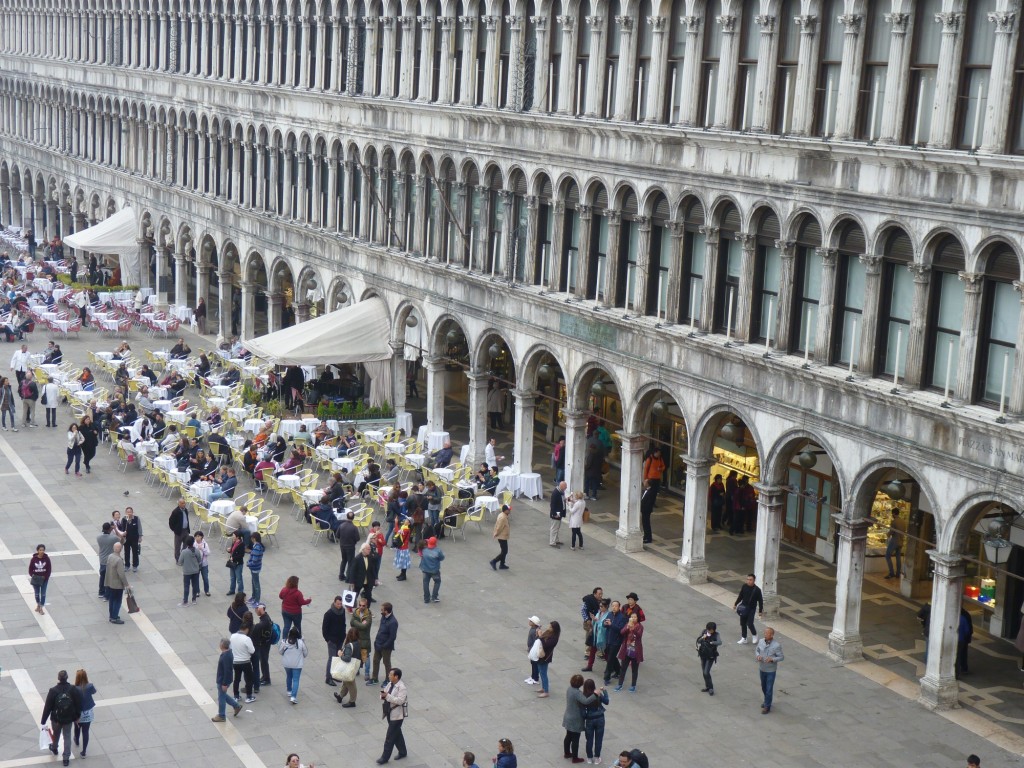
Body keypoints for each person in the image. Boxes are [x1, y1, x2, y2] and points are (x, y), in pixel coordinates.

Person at [40, 670, 83, 766]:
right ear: (67, 677)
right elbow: (78, 704)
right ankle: (66, 758)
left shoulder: (53, 690)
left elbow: (48, 707)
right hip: (68, 719)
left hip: (56, 719)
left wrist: (43, 721)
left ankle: (54, 748)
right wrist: (77, 717)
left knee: (56, 734)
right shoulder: (72, 689)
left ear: (58, 678)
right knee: (67, 736)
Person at [562, 674, 599, 763]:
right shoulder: (577, 693)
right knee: (575, 738)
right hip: (575, 719)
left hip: (568, 715)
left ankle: (567, 753)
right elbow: (585, 701)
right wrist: (595, 695)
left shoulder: (569, 689)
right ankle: (575, 758)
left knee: (568, 736)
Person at [375, 667, 408, 765]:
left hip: (397, 715)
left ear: (396, 676)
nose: (389, 676)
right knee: (397, 733)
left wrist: (387, 696)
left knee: (390, 736)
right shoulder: (390, 684)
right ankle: (403, 752)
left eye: (390, 674)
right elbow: (384, 693)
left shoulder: (402, 687)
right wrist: (382, 695)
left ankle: (385, 757)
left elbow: (400, 701)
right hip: (389, 713)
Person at [212, 638, 243, 722]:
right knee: (223, 695)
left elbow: (227, 670)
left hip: (223, 680)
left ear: (222, 645)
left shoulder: (226, 656)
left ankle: (221, 715)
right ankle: (236, 706)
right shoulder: (228, 653)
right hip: (223, 679)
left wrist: (224, 684)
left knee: (221, 697)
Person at [755, 626, 784, 713]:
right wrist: (758, 656)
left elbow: (781, 657)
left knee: (769, 688)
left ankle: (767, 706)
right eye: (764, 633)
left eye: (767, 633)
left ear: (772, 635)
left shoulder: (776, 645)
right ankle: (766, 700)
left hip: (771, 670)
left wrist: (772, 659)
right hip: (762, 668)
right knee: (763, 687)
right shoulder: (761, 641)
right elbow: (757, 650)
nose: (765, 635)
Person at [581, 678, 609, 764]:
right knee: (599, 739)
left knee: (589, 739)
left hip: (590, 719)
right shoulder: (598, 694)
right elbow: (607, 701)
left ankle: (589, 758)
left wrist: (585, 717)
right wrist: (605, 691)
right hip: (600, 718)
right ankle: (597, 757)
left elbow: (582, 712)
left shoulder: (583, 696)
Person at [322, 595, 348, 687]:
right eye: (338, 604)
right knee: (331, 658)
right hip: (332, 640)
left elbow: (343, 623)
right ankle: (328, 677)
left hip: (340, 639)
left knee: (337, 658)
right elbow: (324, 629)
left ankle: (335, 675)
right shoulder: (328, 614)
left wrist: (344, 634)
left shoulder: (343, 611)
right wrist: (328, 639)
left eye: (341, 604)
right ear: (334, 603)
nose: (339, 605)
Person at [615, 613, 644, 692]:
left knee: (634, 670)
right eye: (632, 617)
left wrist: (633, 628)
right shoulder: (627, 624)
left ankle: (633, 685)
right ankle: (620, 684)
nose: (633, 618)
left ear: (637, 618)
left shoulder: (640, 627)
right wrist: (628, 627)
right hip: (627, 650)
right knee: (623, 668)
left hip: (635, 651)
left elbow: (638, 635)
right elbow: (622, 632)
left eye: (635, 617)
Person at [279, 625, 308, 705]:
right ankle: (293, 697)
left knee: (289, 676)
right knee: (296, 680)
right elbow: (305, 653)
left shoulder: (284, 642)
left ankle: (289, 691)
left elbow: (280, 652)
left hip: (286, 664)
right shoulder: (301, 642)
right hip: (297, 665)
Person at [371, 602, 399, 684]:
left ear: (386, 611)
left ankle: (388, 679)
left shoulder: (393, 622)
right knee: (375, 660)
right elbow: (380, 630)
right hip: (378, 643)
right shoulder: (383, 617)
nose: (381, 611)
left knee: (386, 663)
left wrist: (384, 645)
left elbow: (392, 637)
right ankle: (374, 678)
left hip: (386, 647)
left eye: (382, 610)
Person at [332, 627, 361, 708]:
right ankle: (340, 696)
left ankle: (352, 701)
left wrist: (341, 655)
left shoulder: (349, 645)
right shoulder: (358, 643)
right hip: (354, 666)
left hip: (348, 667)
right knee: (346, 681)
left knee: (350, 683)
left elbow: (347, 658)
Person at [230, 622, 257, 704]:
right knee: (249, 679)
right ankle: (249, 696)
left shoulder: (232, 636)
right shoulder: (246, 639)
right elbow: (252, 650)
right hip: (245, 662)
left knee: (237, 679)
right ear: (246, 629)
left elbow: (231, 647)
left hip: (236, 662)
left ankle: (236, 696)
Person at [734, 573, 764, 644]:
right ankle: (744, 638)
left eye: (750, 580)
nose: (749, 581)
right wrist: (735, 604)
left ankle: (754, 634)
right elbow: (740, 596)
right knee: (743, 623)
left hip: (751, 608)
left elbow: (760, 600)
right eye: (747, 579)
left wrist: (760, 610)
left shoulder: (757, 590)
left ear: (754, 580)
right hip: (743, 607)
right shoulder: (744, 586)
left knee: (750, 623)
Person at [72, 669, 96, 758]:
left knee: (77, 727)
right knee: (86, 731)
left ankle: (76, 739)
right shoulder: (90, 686)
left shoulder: (75, 688)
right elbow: (94, 691)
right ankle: (84, 751)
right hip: (88, 712)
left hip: (78, 712)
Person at [279, 574, 312, 639]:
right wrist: (309, 600)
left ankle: (284, 640)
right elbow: (302, 602)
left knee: (286, 626)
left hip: (285, 611)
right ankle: (299, 639)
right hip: (296, 613)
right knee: (297, 626)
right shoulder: (298, 593)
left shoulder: (284, 589)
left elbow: (280, 596)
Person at [251, 602, 275, 689]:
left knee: (264, 661)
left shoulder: (263, 622)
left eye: (256, 609)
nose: (255, 610)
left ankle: (266, 679)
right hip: (265, 643)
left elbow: (256, 631)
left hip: (264, 644)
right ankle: (264, 676)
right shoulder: (265, 618)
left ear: (260, 609)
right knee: (263, 660)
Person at [104, 542, 129, 623]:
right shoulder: (119, 560)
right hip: (117, 584)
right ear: (121, 549)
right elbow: (121, 574)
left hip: (110, 582)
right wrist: (126, 584)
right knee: (117, 601)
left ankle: (111, 616)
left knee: (111, 600)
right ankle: (114, 617)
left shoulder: (110, 556)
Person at [351, 595, 374, 682]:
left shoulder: (368, 615)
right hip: (356, 638)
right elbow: (351, 622)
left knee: (366, 657)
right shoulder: (356, 612)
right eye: (360, 605)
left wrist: (356, 622)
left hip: (364, 640)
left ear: (366, 606)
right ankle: (357, 671)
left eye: (363, 605)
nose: (361, 607)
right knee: (356, 656)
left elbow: (364, 627)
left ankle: (367, 673)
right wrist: (360, 623)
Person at [536, 620, 561, 698]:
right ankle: (543, 688)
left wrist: (540, 636)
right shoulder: (548, 632)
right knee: (541, 672)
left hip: (545, 657)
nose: (548, 628)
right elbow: (540, 640)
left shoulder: (554, 638)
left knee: (543, 673)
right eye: (549, 626)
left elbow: (546, 645)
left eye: (550, 627)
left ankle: (546, 691)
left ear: (554, 629)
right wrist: (538, 634)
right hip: (540, 655)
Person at [697, 620, 722, 695]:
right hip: (703, 654)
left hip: (710, 656)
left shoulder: (716, 634)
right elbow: (698, 641)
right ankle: (707, 686)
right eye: (708, 629)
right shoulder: (704, 632)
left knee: (706, 672)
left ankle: (711, 688)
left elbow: (720, 642)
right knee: (704, 673)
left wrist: (712, 642)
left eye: (711, 630)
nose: (709, 631)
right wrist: (702, 638)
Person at [177, 534, 202, 605]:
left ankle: (185, 601)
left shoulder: (184, 552)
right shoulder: (197, 551)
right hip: (195, 571)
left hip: (187, 572)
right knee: (195, 585)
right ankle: (194, 599)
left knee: (186, 586)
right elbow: (199, 560)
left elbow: (180, 562)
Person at [419, 536, 444, 603]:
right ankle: (434, 597)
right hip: (434, 570)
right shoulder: (438, 551)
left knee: (425, 583)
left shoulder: (424, 550)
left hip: (425, 569)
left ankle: (426, 599)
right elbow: (442, 558)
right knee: (437, 582)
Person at [337, 511, 361, 582]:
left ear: (346, 517)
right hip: (350, 547)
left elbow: (337, 535)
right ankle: (348, 577)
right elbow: (358, 538)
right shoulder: (354, 528)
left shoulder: (341, 525)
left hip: (342, 546)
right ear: (353, 518)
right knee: (350, 561)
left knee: (344, 560)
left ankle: (341, 575)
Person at [29, 543, 51, 614]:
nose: (42, 551)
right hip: (36, 579)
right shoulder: (33, 559)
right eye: (40, 550)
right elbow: (30, 569)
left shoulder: (47, 559)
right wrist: (33, 575)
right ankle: (38, 604)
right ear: (37, 550)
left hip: (44, 579)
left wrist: (45, 577)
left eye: (43, 550)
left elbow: (49, 569)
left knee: (43, 594)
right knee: (37, 594)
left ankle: (41, 607)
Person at [168, 498, 191, 563]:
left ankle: (183, 557)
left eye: (184, 503)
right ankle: (178, 560)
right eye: (182, 503)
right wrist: (175, 530)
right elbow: (171, 522)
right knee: (177, 547)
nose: (184, 504)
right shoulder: (175, 512)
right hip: (179, 532)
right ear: (179, 504)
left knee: (186, 545)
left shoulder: (186, 510)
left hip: (186, 530)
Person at [489, 503, 511, 570]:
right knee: (505, 551)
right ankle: (494, 561)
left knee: (503, 551)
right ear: (505, 510)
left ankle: (502, 564)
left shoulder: (503, 515)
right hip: (502, 537)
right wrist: (496, 533)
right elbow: (499, 527)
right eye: (508, 510)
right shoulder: (503, 517)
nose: (510, 511)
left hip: (503, 536)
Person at [248, 531, 265, 604]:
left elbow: (254, 560)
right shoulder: (256, 546)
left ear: (254, 539)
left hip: (255, 568)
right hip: (255, 568)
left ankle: (257, 600)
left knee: (256, 584)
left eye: (251, 538)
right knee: (253, 583)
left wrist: (248, 563)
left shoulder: (257, 547)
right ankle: (254, 597)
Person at [227, 530, 246, 595]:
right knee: (232, 578)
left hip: (238, 564)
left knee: (239, 579)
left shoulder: (241, 544)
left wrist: (233, 558)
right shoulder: (234, 542)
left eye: (234, 535)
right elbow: (233, 551)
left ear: (237, 537)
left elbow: (241, 555)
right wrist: (229, 550)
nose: (232, 536)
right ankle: (232, 590)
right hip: (232, 562)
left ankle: (240, 592)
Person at [957, 607, 974, 678]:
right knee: (963, 654)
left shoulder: (957, 619)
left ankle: (956, 671)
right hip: (963, 640)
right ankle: (963, 668)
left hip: (957, 639)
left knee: (957, 656)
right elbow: (968, 630)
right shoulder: (965, 617)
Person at [549, 480, 567, 547]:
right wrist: (555, 514)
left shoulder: (561, 491)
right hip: (557, 513)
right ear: (561, 486)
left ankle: (556, 540)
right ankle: (552, 542)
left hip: (559, 512)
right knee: (554, 527)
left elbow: (561, 500)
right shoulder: (556, 493)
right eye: (565, 487)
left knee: (557, 527)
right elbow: (552, 505)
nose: (566, 488)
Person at [639, 479, 656, 544]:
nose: (644, 482)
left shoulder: (651, 492)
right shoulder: (646, 490)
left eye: (645, 482)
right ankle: (646, 536)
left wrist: (643, 508)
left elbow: (649, 503)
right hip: (644, 510)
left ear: (648, 484)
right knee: (644, 523)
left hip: (646, 510)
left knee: (646, 524)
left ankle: (648, 538)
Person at [194, 530, 211, 596]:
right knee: (196, 579)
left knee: (205, 578)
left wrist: (202, 549)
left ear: (202, 537)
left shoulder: (205, 544)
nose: (197, 538)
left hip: (204, 564)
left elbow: (208, 553)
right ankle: (197, 591)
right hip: (196, 564)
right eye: (196, 536)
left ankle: (207, 591)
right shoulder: (193, 544)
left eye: (198, 536)